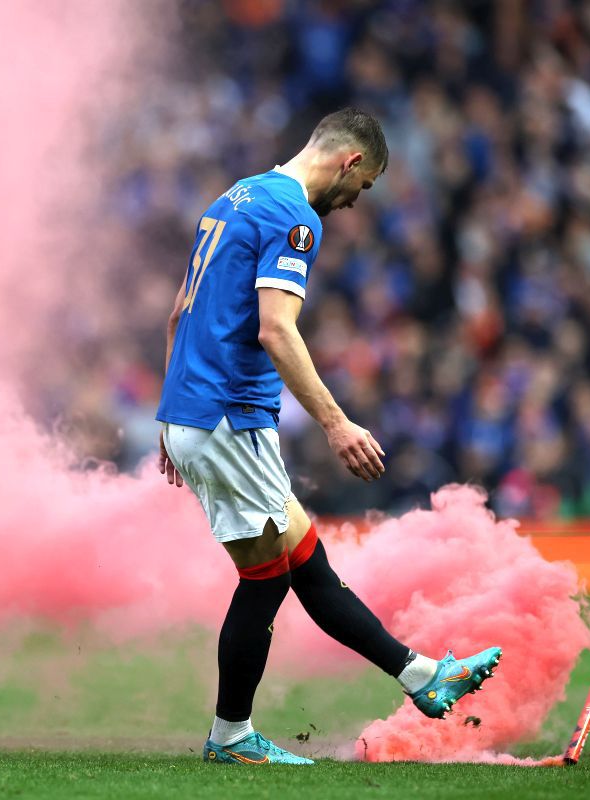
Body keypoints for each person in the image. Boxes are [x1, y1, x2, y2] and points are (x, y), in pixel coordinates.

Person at [156, 108, 502, 766]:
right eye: (364, 185)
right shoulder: (296, 217)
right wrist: (338, 422)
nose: (355, 200)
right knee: (266, 579)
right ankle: (231, 737)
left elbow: (181, 308)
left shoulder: (235, 196)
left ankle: (425, 678)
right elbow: (276, 330)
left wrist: (171, 421)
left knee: (304, 560)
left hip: (198, 413)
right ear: (349, 162)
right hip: (228, 416)